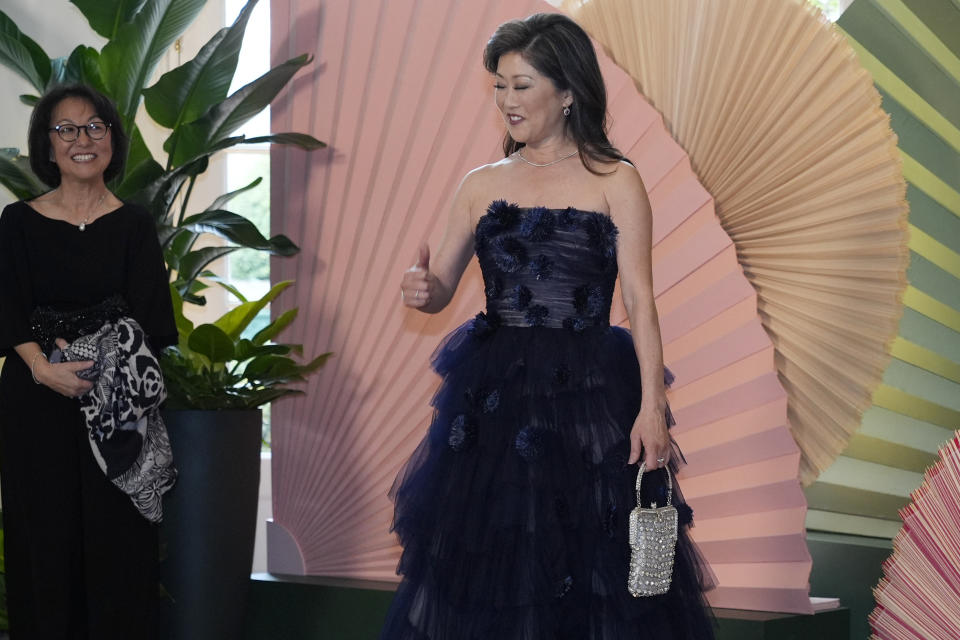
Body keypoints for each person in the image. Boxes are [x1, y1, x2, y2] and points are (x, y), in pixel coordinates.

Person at [381, 13, 716, 639]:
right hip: (493, 401)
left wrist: (653, 406)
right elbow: (441, 287)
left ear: (567, 92)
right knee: (497, 561)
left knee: (591, 563)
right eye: (500, 86)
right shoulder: (481, 185)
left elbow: (641, 301)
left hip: (590, 397)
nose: (507, 101)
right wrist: (423, 290)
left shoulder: (618, 178)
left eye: (522, 84)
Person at [0, 84, 176, 639]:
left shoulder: (135, 225)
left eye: (95, 126)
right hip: (36, 402)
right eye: (67, 129)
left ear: (112, 140)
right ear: (47, 146)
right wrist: (42, 366)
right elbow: (6, 308)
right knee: (43, 542)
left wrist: (105, 366)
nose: (82, 139)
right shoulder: (17, 222)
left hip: (118, 413)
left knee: (119, 548)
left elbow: (154, 325)